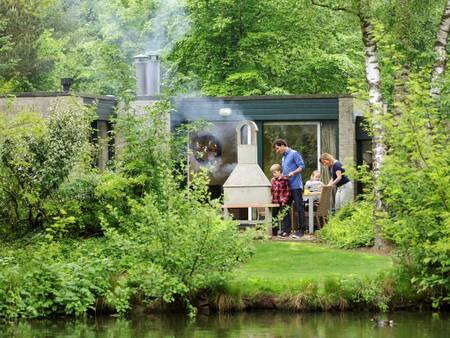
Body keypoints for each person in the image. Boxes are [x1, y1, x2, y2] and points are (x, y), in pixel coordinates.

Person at [272, 139, 306, 237]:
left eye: (277, 148)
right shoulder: (283, 158)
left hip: (296, 186)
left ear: (283, 145)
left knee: (299, 208)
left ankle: (301, 231)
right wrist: (277, 177)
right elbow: (284, 172)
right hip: (286, 188)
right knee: (285, 208)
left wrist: (294, 173)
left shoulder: (294, 153)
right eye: (276, 149)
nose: (277, 151)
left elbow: (302, 166)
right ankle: (287, 231)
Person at [269, 164, 291, 237]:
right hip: (275, 202)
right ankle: (274, 231)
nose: (273, 174)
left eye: (275, 172)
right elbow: (272, 191)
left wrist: (285, 200)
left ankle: (286, 231)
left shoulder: (285, 179)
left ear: (279, 171)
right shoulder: (273, 180)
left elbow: (288, 191)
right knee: (274, 216)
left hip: (283, 202)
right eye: (272, 173)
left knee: (285, 216)